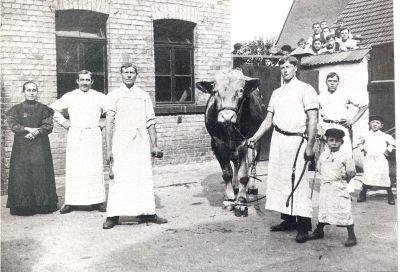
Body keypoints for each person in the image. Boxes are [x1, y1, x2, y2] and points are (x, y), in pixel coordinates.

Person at [247, 56, 319, 243]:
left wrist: (310, 146)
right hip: (279, 140)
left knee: (299, 183)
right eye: (282, 67)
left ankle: (304, 225)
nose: (285, 70)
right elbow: (268, 120)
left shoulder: (306, 89)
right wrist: (254, 138)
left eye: (288, 66)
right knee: (280, 180)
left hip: (298, 140)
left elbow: (313, 120)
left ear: (296, 68)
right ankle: (288, 220)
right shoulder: (277, 93)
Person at [103, 63, 167, 229]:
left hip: (140, 140)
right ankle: (113, 216)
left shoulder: (143, 95)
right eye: (126, 72)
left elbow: (151, 121)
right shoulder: (114, 95)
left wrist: (154, 145)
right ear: (121, 75)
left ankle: (148, 212)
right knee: (119, 176)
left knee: (142, 176)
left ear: (136, 75)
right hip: (121, 141)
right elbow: (109, 124)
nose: (129, 75)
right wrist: (108, 149)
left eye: (132, 72)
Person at [51, 70, 107, 214]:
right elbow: (52, 109)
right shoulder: (70, 96)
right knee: (75, 167)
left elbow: (112, 111)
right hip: (75, 134)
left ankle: (98, 200)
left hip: (93, 134)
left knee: (94, 167)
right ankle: (71, 202)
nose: (84, 83)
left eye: (87, 80)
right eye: (82, 80)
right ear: (77, 81)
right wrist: (64, 122)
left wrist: (104, 122)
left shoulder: (99, 96)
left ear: (92, 82)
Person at [6, 81, 58, 216]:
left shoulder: (44, 109)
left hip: (40, 146)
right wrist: (26, 129)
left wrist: (37, 131)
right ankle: (23, 207)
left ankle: (43, 205)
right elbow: (13, 124)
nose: (31, 93)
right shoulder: (16, 109)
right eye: (28, 90)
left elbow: (48, 125)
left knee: (40, 173)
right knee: (22, 174)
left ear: (37, 92)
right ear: (23, 92)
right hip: (21, 147)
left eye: (34, 90)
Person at [318, 72, 368, 192]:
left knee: (346, 158)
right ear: (326, 82)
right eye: (330, 81)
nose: (332, 83)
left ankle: (347, 190)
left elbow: (364, 105)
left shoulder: (345, 95)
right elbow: (313, 113)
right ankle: (329, 186)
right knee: (328, 158)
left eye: (335, 81)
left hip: (342, 128)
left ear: (338, 82)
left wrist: (353, 120)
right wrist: (319, 126)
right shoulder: (320, 97)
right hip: (327, 128)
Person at [309, 128, 357, 247]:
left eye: (337, 141)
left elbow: (351, 172)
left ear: (342, 142)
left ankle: (351, 235)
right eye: (331, 140)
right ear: (327, 142)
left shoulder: (345, 156)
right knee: (324, 209)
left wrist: (343, 181)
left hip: (339, 186)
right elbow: (319, 168)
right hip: (326, 186)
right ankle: (319, 230)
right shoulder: (323, 155)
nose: (334, 143)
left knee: (343, 209)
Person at [357, 115, 396, 204]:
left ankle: (390, 196)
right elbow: (359, 142)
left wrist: (387, 151)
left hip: (381, 159)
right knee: (367, 176)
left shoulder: (384, 135)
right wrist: (363, 149)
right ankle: (362, 195)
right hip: (369, 159)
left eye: (377, 123)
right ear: (369, 124)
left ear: (381, 125)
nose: (375, 124)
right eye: (373, 122)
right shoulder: (365, 135)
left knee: (384, 177)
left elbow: (393, 144)